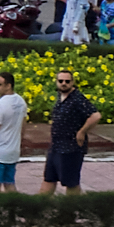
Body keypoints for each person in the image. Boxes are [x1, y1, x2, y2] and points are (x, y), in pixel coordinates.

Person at [41, 68, 101, 196]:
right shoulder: (61, 97)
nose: (64, 83)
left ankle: (72, 210)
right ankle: (38, 209)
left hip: (71, 147)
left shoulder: (77, 99)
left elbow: (95, 116)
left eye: (67, 81)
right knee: (49, 179)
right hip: (56, 147)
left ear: (72, 82)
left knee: (71, 183)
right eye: (61, 81)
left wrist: (82, 131)